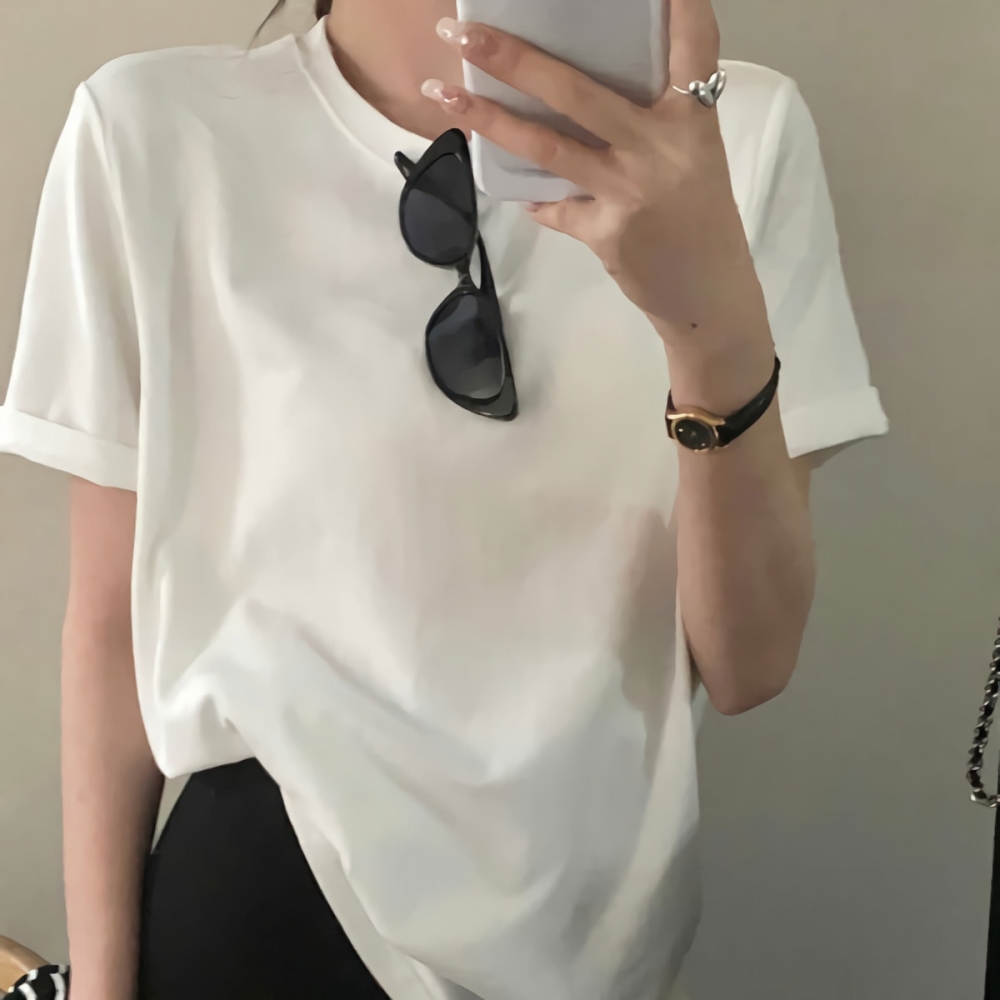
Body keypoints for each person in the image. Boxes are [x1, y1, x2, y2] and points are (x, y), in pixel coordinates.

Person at [0, 0, 889, 997]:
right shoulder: (157, 129)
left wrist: (709, 319)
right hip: (264, 907)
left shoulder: (740, 135)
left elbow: (748, 664)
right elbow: (113, 624)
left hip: (594, 943)